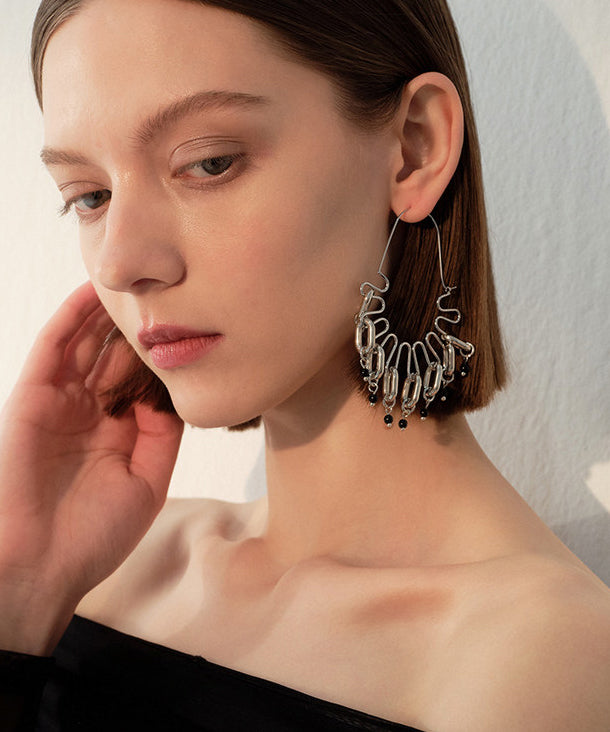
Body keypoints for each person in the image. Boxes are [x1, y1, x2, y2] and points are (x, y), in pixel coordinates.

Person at [1, 0, 609, 730]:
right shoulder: (106, 566)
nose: (120, 262)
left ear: (415, 147)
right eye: (90, 196)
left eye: (209, 162)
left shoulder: (543, 659)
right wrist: (22, 587)